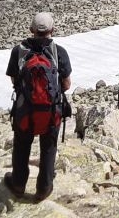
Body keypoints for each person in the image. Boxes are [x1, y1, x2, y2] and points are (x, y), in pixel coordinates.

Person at [4, 11, 71, 203]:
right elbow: (66, 84)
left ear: (31, 30)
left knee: (22, 145)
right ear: (52, 30)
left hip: (25, 110)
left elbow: (14, 79)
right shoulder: (59, 52)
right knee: (49, 147)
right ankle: (44, 188)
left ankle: (18, 184)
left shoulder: (19, 51)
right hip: (51, 112)